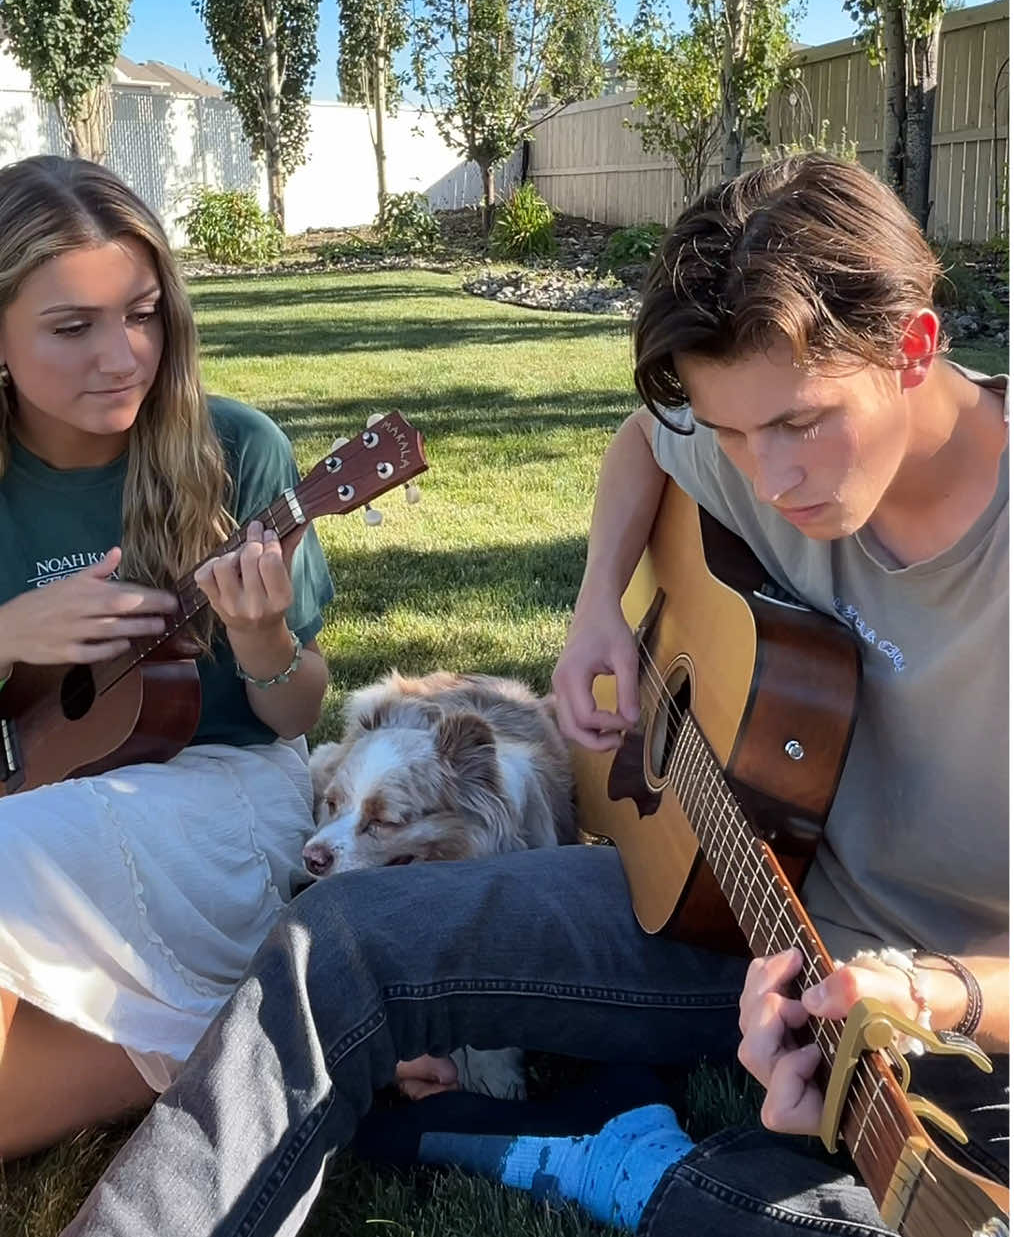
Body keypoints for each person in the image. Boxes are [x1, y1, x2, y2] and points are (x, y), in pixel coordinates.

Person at [62, 155, 1007, 1237]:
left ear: (916, 347)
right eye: (735, 435)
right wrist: (600, 603)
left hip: (934, 1014)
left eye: (796, 426)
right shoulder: (749, 434)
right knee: (339, 938)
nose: (767, 480)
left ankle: (634, 1151)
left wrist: (936, 997)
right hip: (701, 908)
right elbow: (652, 439)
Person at [0, 155, 334, 1160]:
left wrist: (265, 637)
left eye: (142, 314)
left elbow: (296, 717)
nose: (121, 356)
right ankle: (216, 1040)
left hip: (220, 794)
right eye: (73, 327)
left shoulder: (238, 451)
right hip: (41, 790)